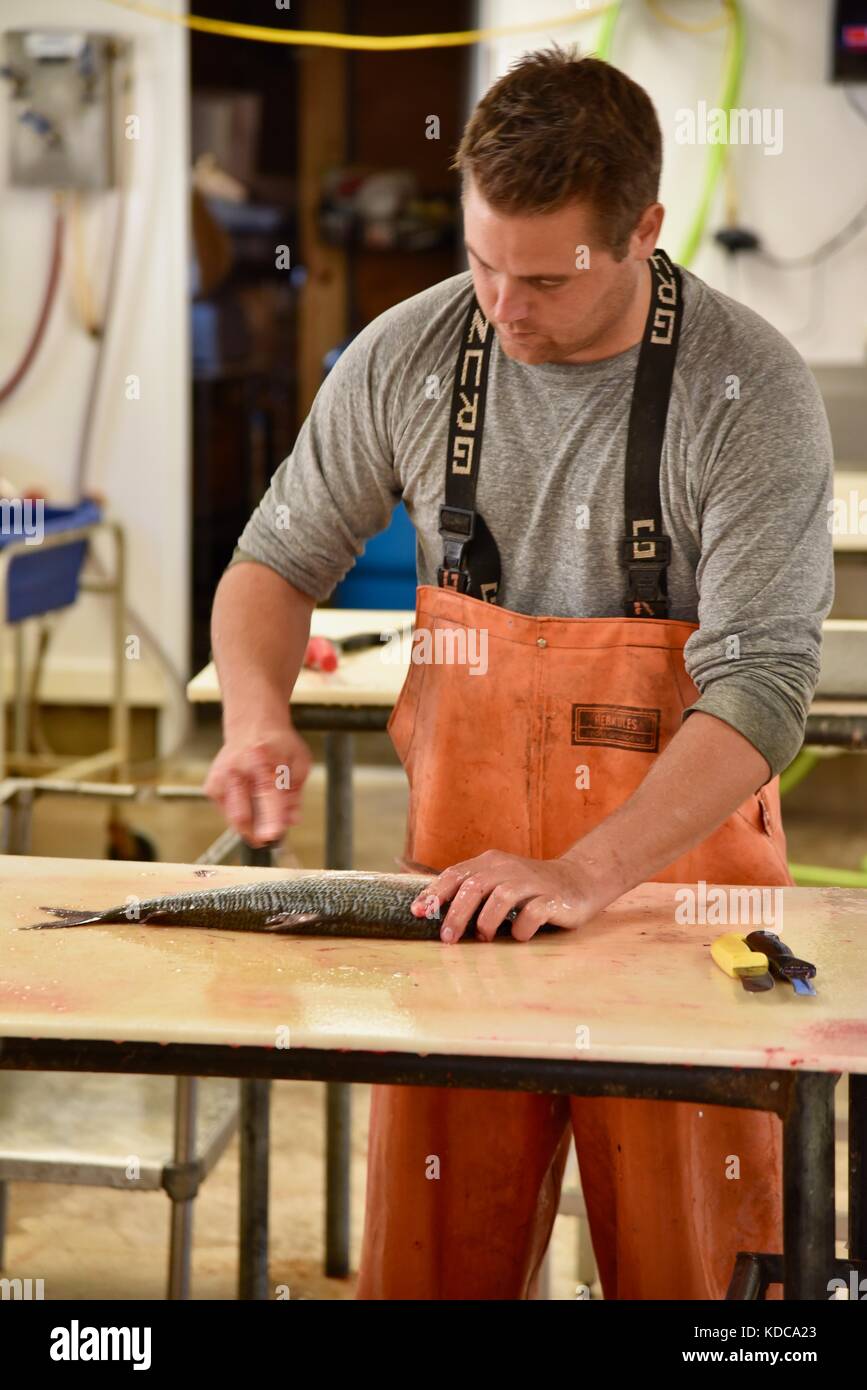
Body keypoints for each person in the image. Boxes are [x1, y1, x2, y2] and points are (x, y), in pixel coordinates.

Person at [205, 48, 834, 1299]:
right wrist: (254, 710)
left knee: (698, 1278)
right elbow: (272, 565)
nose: (502, 302)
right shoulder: (410, 351)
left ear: (645, 229)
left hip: (680, 916)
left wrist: (586, 871)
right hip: (465, 906)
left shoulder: (748, 389)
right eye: (483, 260)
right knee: (434, 1265)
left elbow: (762, 688)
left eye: (545, 276)